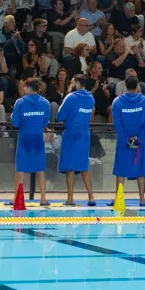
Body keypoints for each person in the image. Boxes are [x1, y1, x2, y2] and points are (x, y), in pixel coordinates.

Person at [111, 75, 145, 205]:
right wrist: (139, 138)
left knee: (121, 170)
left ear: (125, 86)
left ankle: (119, 198)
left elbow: (117, 123)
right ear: (137, 87)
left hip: (124, 142)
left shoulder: (117, 102)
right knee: (141, 169)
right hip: (139, 142)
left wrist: (126, 139)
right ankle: (142, 199)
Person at [11, 78, 52, 205]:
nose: (23, 89)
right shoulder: (45, 103)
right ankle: (43, 198)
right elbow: (46, 122)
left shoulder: (20, 102)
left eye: (24, 87)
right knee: (40, 168)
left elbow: (15, 123)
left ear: (28, 88)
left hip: (24, 138)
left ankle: (17, 198)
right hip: (38, 138)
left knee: (20, 168)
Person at [56, 74, 96, 206]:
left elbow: (59, 116)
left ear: (78, 83)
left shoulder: (71, 97)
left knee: (70, 167)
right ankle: (91, 197)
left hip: (72, 133)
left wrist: (67, 93)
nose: (71, 84)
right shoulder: (91, 98)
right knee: (84, 165)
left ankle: (70, 198)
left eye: (73, 82)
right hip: (85, 133)